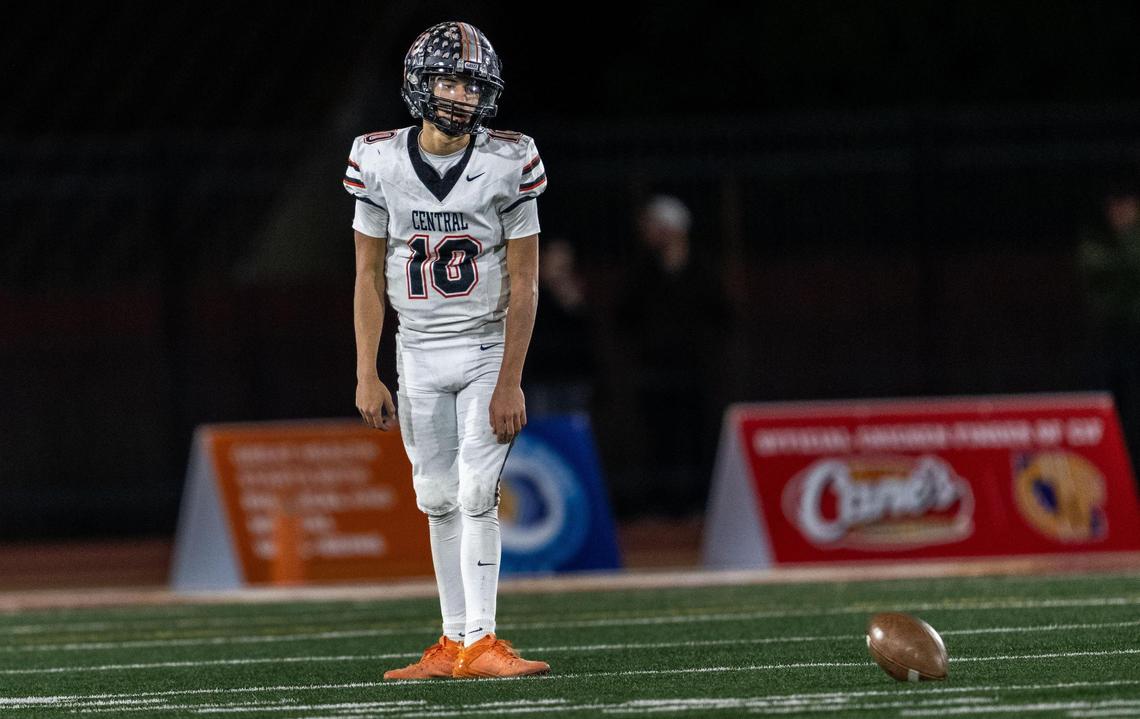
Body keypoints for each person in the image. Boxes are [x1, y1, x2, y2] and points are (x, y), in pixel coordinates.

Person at [344, 21, 549, 680]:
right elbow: (367, 275)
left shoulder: (509, 158)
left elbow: (526, 280)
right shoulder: (375, 159)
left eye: (472, 84)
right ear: (419, 83)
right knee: (434, 494)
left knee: (476, 487)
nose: (461, 95)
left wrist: (510, 378)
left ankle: (483, 637)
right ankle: (453, 640)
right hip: (417, 350)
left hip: (486, 343)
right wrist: (366, 371)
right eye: (450, 80)